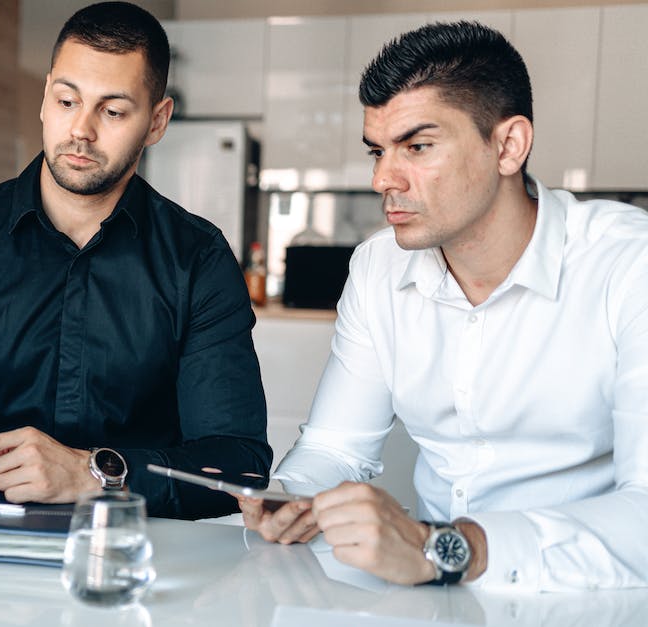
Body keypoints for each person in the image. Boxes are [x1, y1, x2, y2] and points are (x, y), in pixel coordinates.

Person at [241, 21, 648, 591]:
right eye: (378, 151)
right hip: (433, 594)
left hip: (593, 598)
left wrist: (451, 548)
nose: (383, 177)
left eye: (418, 146)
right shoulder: (378, 267)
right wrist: (293, 497)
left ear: (508, 146)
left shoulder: (630, 266)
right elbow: (335, 447)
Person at [0, 2, 270, 527]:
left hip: (137, 556)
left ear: (156, 122)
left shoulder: (199, 259)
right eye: (67, 100)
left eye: (112, 111)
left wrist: (95, 473)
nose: (80, 130)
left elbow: (237, 466)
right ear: (44, 100)